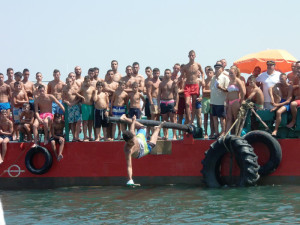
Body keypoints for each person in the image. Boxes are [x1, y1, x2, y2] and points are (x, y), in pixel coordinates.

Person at [121, 114, 165, 185]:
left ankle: (124, 118)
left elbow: (132, 126)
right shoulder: (128, 150)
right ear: (126, 142)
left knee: (143, 127)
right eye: (131, 142)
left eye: (133, 140)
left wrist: (133, 120)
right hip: (141, 151)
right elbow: (129, 166)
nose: (133, 143)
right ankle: (157, 129)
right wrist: (130, 180)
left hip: (139, 140)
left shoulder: (133, 135)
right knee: (152, 144)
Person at [182, 50, 204, 124]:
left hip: (195, 85)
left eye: (193, 55)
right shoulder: (185, 66)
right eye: (190, 55)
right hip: (188, 85)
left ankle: (191, 121)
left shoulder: (198, 65)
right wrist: (177, 81)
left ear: (195, 56)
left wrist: (203, 80)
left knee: (194, 103)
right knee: (187, 103)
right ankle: (189, 118)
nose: (191, 57)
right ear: (188, 56)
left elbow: (203, 73)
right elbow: (181, 76)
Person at [210, 61, 230, 138]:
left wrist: (220, 87)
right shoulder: (213, 78)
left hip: (221, 102)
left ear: (222, 69)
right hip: (214, 101)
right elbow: (211, 89)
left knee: (222, 118)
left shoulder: (225, 78)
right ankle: (217, 132)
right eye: (216, 68)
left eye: (218, 68)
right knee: (214, 118)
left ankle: (223, 132)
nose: (217, 70)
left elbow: (227, 90)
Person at [158, 69, 178, 140]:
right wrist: (158, 106)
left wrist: (176, 105)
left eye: (168, 73)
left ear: (170, 74)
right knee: (164, 120)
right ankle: (166, 135)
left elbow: (176, 94)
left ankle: (174, 135)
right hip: (163, 102)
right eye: (165, 73)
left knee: (173, 120)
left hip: (171, 102)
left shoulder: (173, 83)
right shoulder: (161, 84)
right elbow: (159, 95)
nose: (167, 74)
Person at [225, 66, 246, 133]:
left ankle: (237, 133)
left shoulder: (238, 80)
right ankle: (226, 134)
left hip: (235, 101)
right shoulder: (230, 81)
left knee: (236, 119)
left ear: (235, 73)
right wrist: (227, 102)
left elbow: (243, 92)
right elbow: (228, 92)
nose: (230, 74)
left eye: (232, 73)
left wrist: (241, 100)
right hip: (229, 102)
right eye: (229, 73)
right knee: (229, 119)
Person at [62, 77, 81, 142]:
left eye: (70, 81)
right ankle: (74, 137)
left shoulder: (76, 88)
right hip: (69, 107)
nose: (69, 83)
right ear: (66, 82)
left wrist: (74, 103)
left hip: (76, 106)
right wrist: (67, 102)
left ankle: (77, 136)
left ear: (72, 81)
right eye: (67, 81)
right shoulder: (64, 89)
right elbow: (63, 99)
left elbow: (79, 98)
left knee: (78, 121)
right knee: (72, 123)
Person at [76, 76, 95, 141]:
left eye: (89, 81)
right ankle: (84, 137)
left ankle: (90, 136)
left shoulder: (93, 88)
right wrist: (82, 97)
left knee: (90, 122)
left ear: (90, 81)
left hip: (91, 106)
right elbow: (76, 92)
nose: (88, 82)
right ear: (84, 81)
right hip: (84, 106)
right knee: (85, 122)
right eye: (86, 81)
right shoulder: (83, 88)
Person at [202, 66, 214, 139]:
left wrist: (209, 92)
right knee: (205, 117)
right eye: (208, 72)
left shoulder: (214, 81)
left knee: (212, 117)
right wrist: (211, 91)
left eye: (210, 72)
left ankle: (212, 132)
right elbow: (203, 91)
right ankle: (205, 132)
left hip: (212, 99)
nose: (209, 74)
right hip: (205, 100)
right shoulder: (204, 81)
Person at [287, 61, 300, 128]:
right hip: (296, 99)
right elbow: (291, 88)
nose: (298, 70)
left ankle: (293, 121)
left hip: (298, 101)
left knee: (293, 104)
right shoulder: (295, 78)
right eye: (297, 68)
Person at [144, 67, 153, 138]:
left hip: (154, 99)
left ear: (151, 71)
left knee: (154, 117)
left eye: (149, 71)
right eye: (146, 71)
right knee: (148, 117)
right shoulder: (145, 80)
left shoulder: (154, 79)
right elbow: (143, 90)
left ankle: (155, 133)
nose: (147, 73)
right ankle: (148, 133)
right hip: (147, 99)